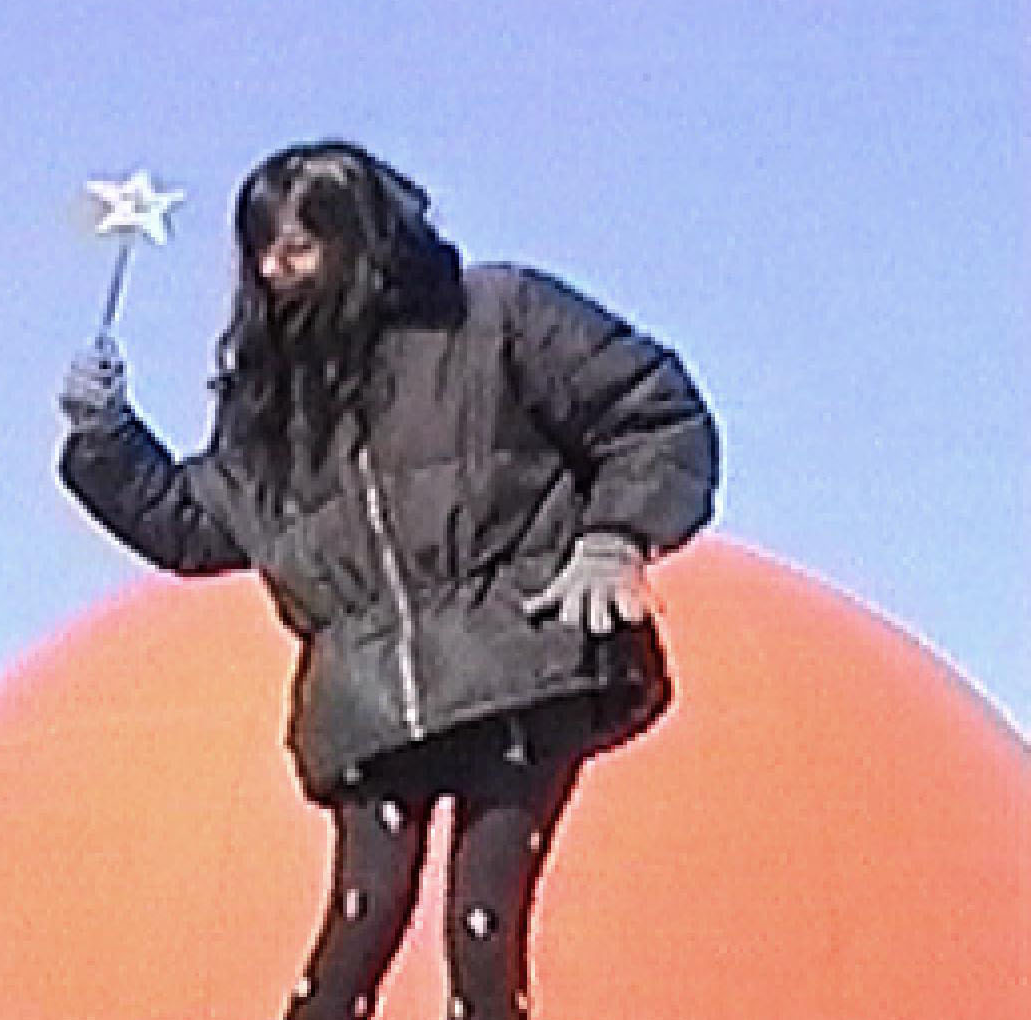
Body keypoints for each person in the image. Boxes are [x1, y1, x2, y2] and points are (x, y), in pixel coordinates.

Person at [56, 140, 718, 1020]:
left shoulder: (495, 317)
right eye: (263, 245)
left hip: (517, 664)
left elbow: (650, 411)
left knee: (482, 933)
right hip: (371, 699)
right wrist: (105, 439)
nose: (275, 263)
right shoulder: (276, 406)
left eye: (301, 240)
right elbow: (197, 524)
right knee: (356, 933)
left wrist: (614, 539)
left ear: (360, 235)